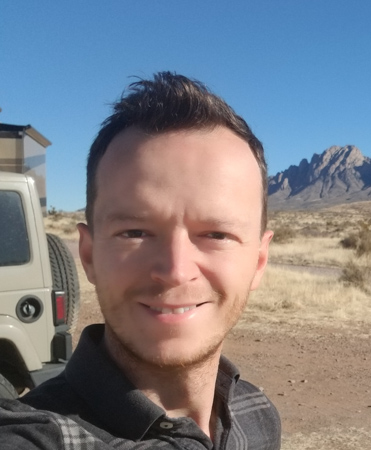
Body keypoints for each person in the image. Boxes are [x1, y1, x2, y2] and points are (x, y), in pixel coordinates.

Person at [0, 72, 281, 449]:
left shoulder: (257, 415)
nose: (175, 271)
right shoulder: (38, 439)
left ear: (259, 262)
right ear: (89, 254)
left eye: (216, 234)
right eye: (135, 232)